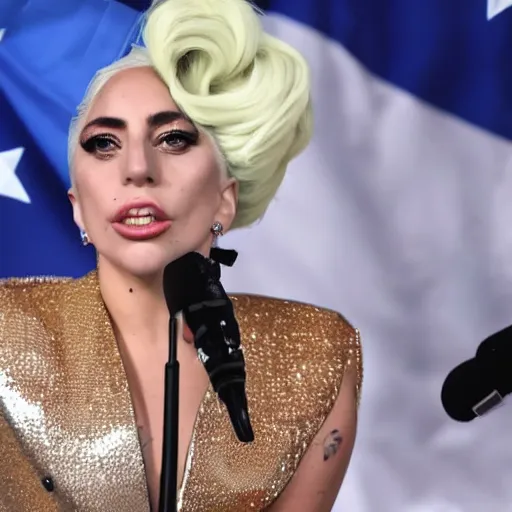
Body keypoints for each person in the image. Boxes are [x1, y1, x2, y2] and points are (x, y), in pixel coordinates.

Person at [0, 0, 363, 510]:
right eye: (104, 143)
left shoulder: (316, 354)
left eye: (173, 139)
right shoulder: (4, 331)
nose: (137, 168)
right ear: (77, 208)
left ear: (225, 197)